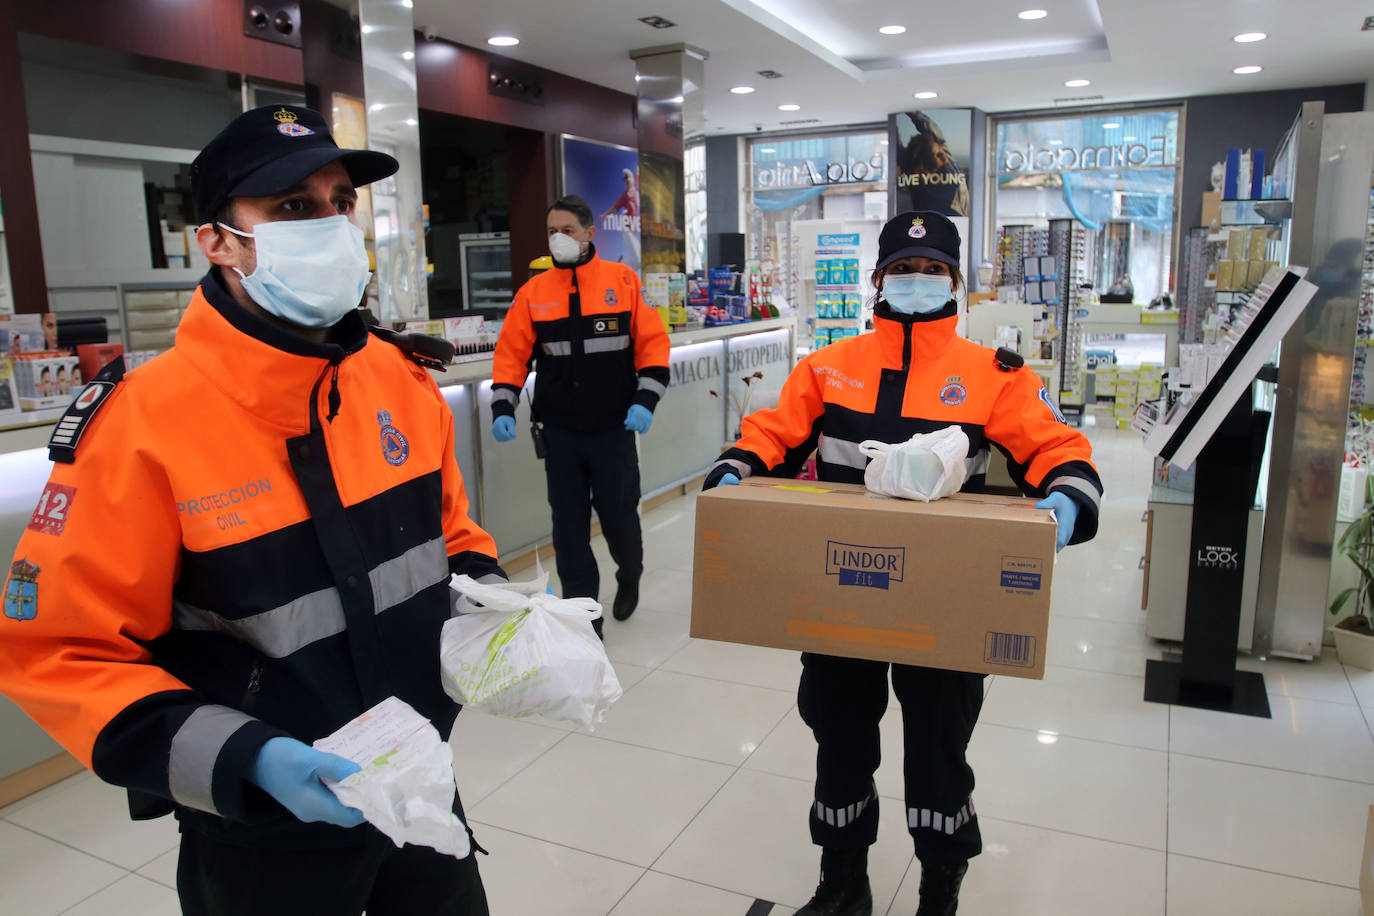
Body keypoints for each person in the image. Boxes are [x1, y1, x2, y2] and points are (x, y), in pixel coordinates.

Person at [0, 105, 502, 915]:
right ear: (218, 241)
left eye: (340, 201)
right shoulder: (141, 424)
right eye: (293, 207)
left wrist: (494, 604)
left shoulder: (398, 382)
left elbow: (450, 536)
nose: (333, 225)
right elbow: (60, 653)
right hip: (262, 835)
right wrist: (248, 758)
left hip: (417, 784)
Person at [702, 211, 1102, 916]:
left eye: (933, 271)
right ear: (878, 280)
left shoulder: (992, 374)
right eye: (904, 271)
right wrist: (739, 465)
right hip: (840, 590)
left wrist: (1071, 491)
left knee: (939, 749)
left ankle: (939, 889)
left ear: (955, 280)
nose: (918, 283)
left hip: (943, 599)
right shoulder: (829, 367)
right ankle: (843, 883)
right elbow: (775, 432)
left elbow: (1053, 444)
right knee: (841, 737)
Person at [490, 194, 670, 629]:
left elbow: (653, 346)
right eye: (552, 231)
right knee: (568, 529)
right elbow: (511, 354)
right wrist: (504, 404)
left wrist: (645, 401)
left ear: (590, 233)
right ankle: (583, 611)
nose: (558, 238)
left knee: (619, 518)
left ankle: (630, 575)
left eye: (567, 230)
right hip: (561, 432)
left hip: (613, 429)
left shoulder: (622, 281)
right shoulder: (534, 293)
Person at [895, 113, 969, 217]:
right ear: (922, 168)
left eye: (942, 150)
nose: (945, 155)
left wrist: (915, 115)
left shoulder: (945, 162)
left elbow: (937, 135)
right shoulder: (946, 178)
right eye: (937, 154)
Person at [600, 167, 641, 265]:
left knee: (638, 258)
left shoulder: (635, 187)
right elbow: (616, 207)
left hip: (633, 229)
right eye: (625, 179)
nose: (626, 181)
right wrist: (605, 214)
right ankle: (618, 267)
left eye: (628, 178)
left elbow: (637, 175)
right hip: (627, 228)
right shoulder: (625, 195)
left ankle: (621, 269)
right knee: (638, 259)